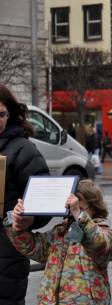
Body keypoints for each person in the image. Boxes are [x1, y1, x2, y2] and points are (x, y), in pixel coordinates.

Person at [4, 179, 112, 305]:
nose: (72, 207)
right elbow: (33, 247)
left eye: (78, 202)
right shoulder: (60, 231)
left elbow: (99, 245)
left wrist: (79, 215)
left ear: (93, 206)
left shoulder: (103, 229)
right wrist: (18, 228)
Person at [0, 85, 50, 305]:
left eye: (0, 114)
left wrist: (30, 218)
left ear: (9, 113)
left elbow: (44, 201)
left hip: (6, 254)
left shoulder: (23, 149)